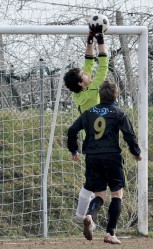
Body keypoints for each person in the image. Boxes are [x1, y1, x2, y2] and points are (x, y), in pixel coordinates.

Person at [67, 80, 142, 244]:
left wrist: (74, 150)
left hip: (92, 158)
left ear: (100, 95)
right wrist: (136, 153)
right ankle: (110, 233)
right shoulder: (119, 113)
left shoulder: (88, 113)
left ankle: (90, 215)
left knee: (100, 194)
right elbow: (129, 135)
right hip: (112, 157)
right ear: (116, 95)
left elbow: (72, 130)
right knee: (117, 194)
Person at [63, 27, 109, 228]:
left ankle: (81, 216)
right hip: (104, 142)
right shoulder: (92, 88)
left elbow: (89, 64)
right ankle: (88, 215)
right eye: (84, 75)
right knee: (104, 186)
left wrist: (89, 41)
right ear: (83, 83)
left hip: (90, 142)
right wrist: (100, 41)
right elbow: (103, 65)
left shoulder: (79, 92)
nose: (87, 73)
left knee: (92, 181)